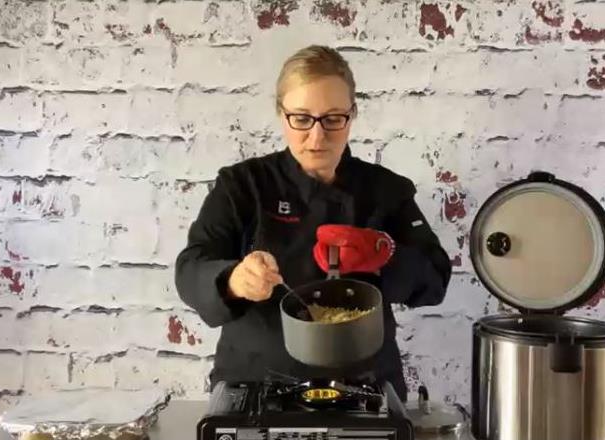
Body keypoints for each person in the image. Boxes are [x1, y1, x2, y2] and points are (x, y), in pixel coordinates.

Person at [175, 45, 451, 401]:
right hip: (255, 382)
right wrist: (233, 280)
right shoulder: (243, 185)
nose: (317, 137)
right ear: (281, 113)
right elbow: (189, 268)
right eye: (302, 119)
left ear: (352, 115)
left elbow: (436, 279)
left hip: (366, 387)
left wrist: (385, 255)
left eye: (333, 118)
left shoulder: (387, 189)